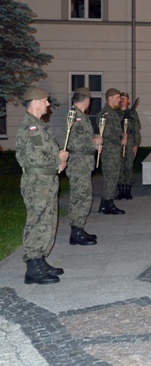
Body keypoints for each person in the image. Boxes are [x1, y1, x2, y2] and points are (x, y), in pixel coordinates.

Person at [15, 86, 69, 284]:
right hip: (37, 183)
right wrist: (58, 158)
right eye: (45, 101)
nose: (48, 104)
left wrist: (59, 162)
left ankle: (40, 260)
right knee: (37, 222)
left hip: (46, 181)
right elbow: (37, 157)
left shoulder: (39, 125)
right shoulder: (31, 128)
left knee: (47, 221)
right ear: (36, 102)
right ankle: (32, 268)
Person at [66, 87, 102, 246]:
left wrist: (94, 143)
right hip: (78, 165)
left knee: (83, 197)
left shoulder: (80, 116)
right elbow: (74, 142)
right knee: (80, 198)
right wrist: (94, 142)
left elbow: (82, 139)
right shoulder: (75, 117)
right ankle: (76, 232)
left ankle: (79, 228)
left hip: (83, 164)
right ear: (87, 100)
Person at [98, 88, 126, 215]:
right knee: (111, 177)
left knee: (113, 177)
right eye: (118, 97)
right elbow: (107, 132)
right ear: (111, 98)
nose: (120, 100)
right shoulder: (106, 114)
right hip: (110, 151)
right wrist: (120, 140)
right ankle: (108, 204)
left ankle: (105, 203)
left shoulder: (113, 113)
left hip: (114, 151)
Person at [115, 92, 141, 200]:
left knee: (128, 166)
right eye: (121, 98)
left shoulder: (133, 113)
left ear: (128, 101)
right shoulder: (115, 113)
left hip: (130, 141)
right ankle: (120, 191)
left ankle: (128, 191)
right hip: (118, 142)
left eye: (125, 98)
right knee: (119, 167)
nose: (123, 100)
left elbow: (136, 130)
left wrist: (136, 144)